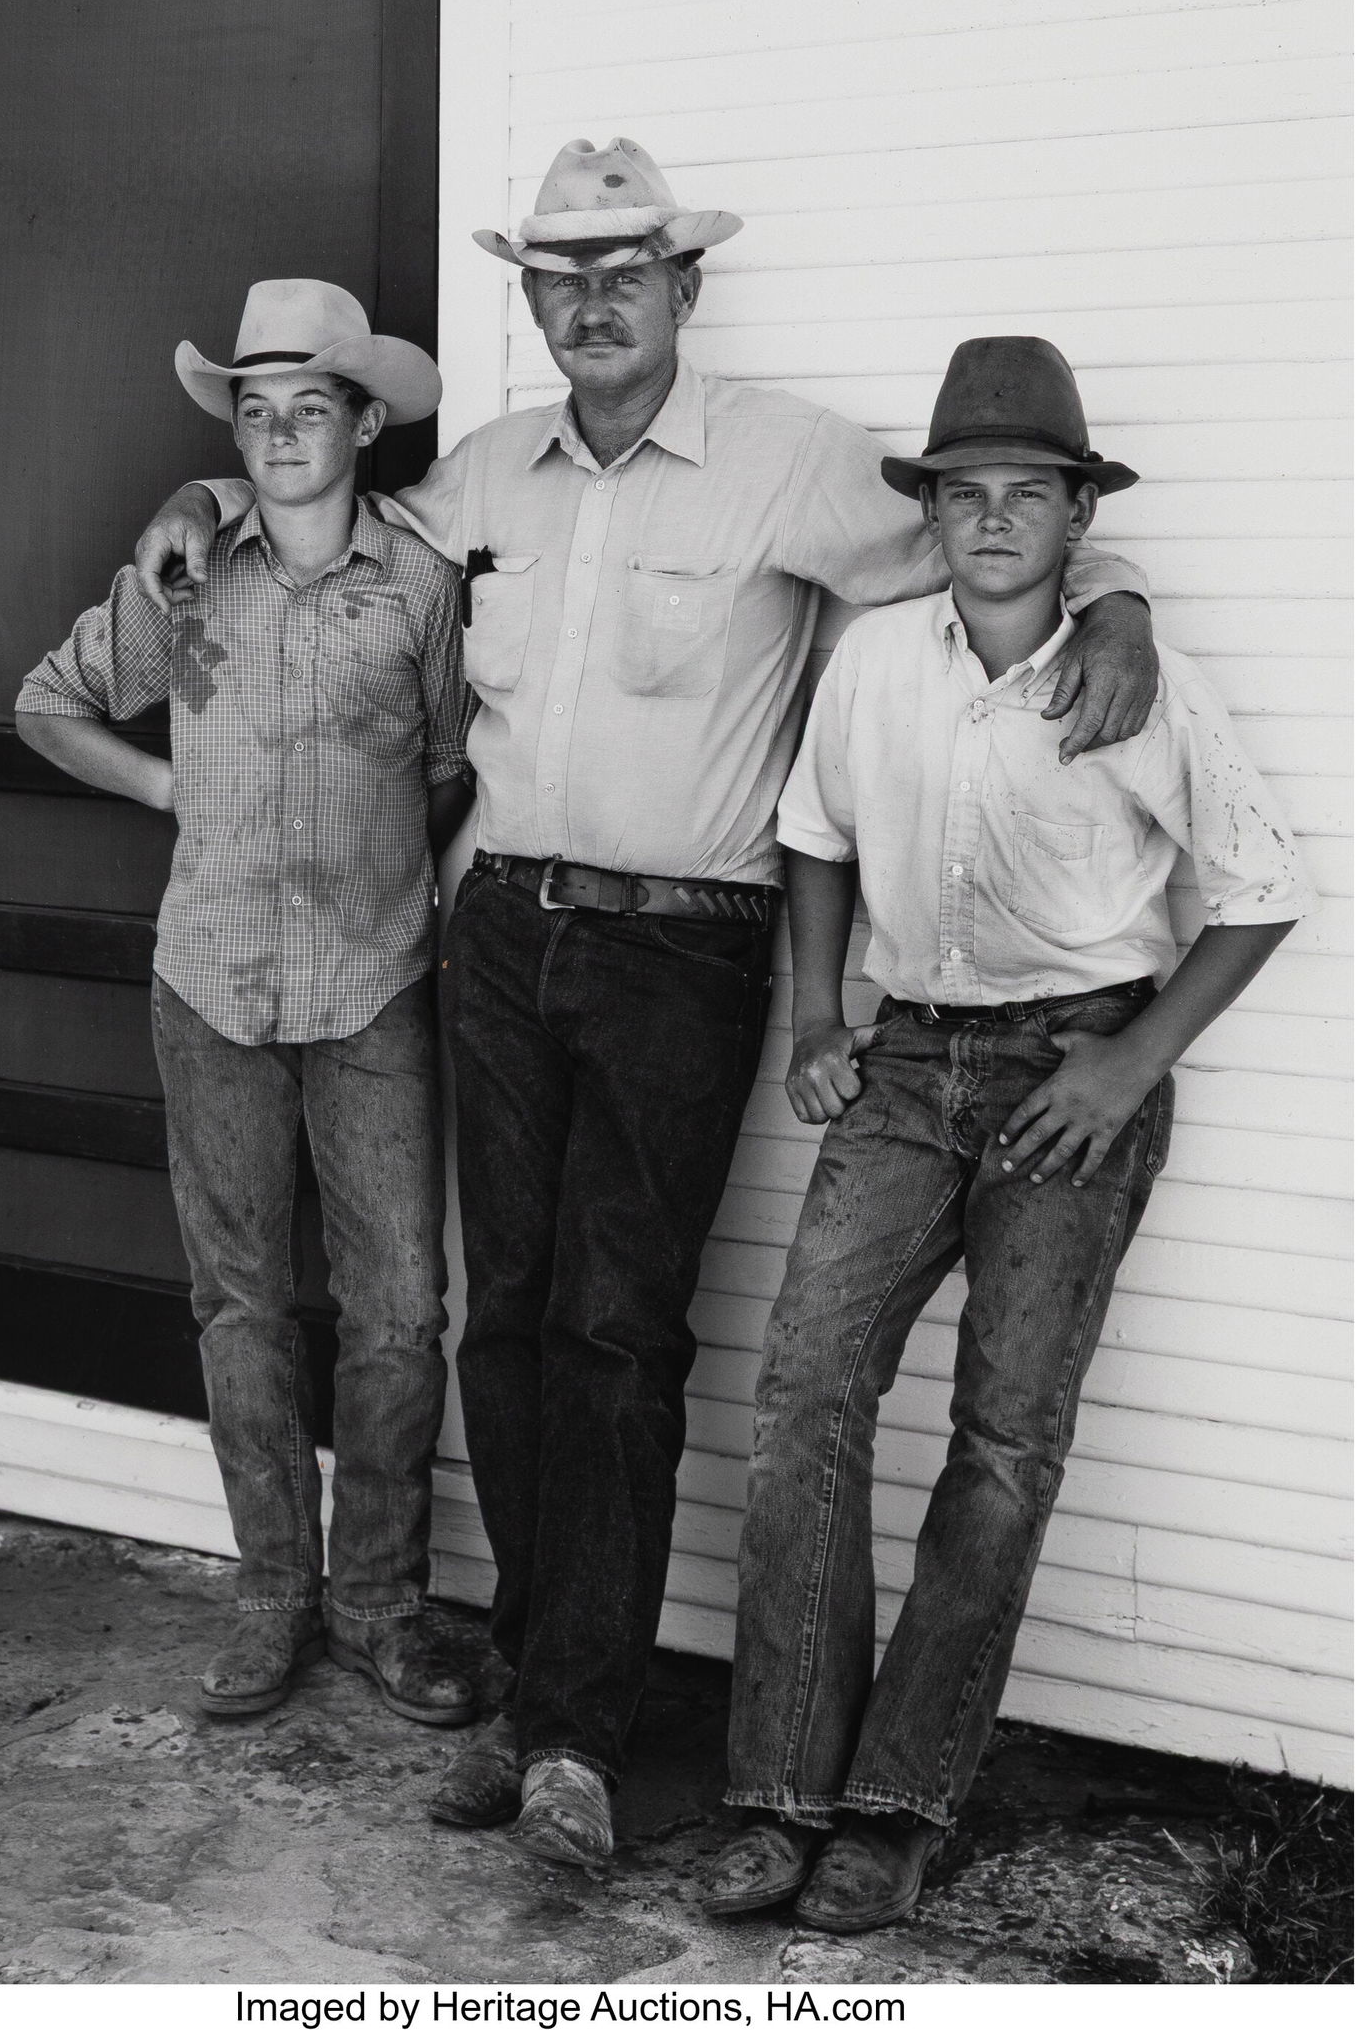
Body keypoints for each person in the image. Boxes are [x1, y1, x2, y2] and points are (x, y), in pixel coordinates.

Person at [129, 144, 1160, 1868]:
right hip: (499, 936)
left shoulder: (789, 461)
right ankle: (544, 1684)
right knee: (509, 1319)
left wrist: (1119, 591)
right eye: (559, 276)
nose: (591, 301)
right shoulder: (481, 475)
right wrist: (198, 505)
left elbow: (992, 550)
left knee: (619, 1329)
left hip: (686, 946)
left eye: (626, 271)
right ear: (531, 302)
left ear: (686, 288)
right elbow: (321, 510)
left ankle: (575, 1749)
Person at [705, 337, 1310, 1932]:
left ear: (1073, 517)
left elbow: (1260, 890)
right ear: (932, 514)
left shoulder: (1131, 678)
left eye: (1024, 496)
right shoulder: (878, 658)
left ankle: (897, 1808)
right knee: (807, 1388)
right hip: (906, 1067)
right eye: (962, 495)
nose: (990, 522)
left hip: (1070, 1073)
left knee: (1004, 1444)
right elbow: (815, 837)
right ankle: (778, 1789)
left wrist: (1130, 1066)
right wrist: (820, 1014)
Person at [15, 280, 480, 1729]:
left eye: (310, 409)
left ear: (364, 422)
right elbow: (46, 700)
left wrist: (412, 881)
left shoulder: (418, 586)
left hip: (375, 980)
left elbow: (459, 762)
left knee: (400, 1309)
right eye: (255, 413)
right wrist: (171, 785)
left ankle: (382, 1603)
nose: (281, 435)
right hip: (209, 978)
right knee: (242, 1306)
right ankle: (275, 1591)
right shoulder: (183, 576)